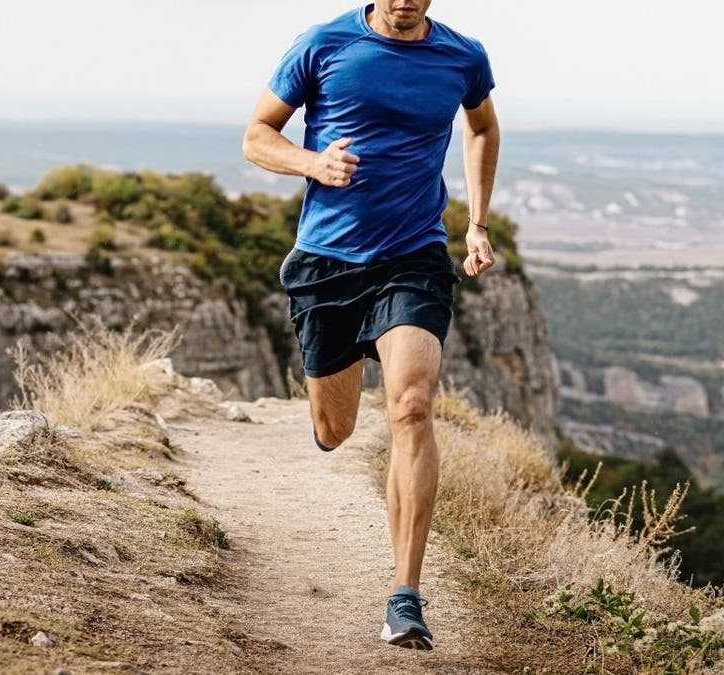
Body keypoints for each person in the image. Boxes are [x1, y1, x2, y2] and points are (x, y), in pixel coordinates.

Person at [242, 0, 499, 651]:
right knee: (337, 428)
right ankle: (332, 398)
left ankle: (405, 596)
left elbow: (481, 129)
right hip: (327, 264)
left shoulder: (462, 56)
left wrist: (475, 221)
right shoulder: (325, 44)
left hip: (413, 257)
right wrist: (312, 163)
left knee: (412, 406)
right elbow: (257, 134)